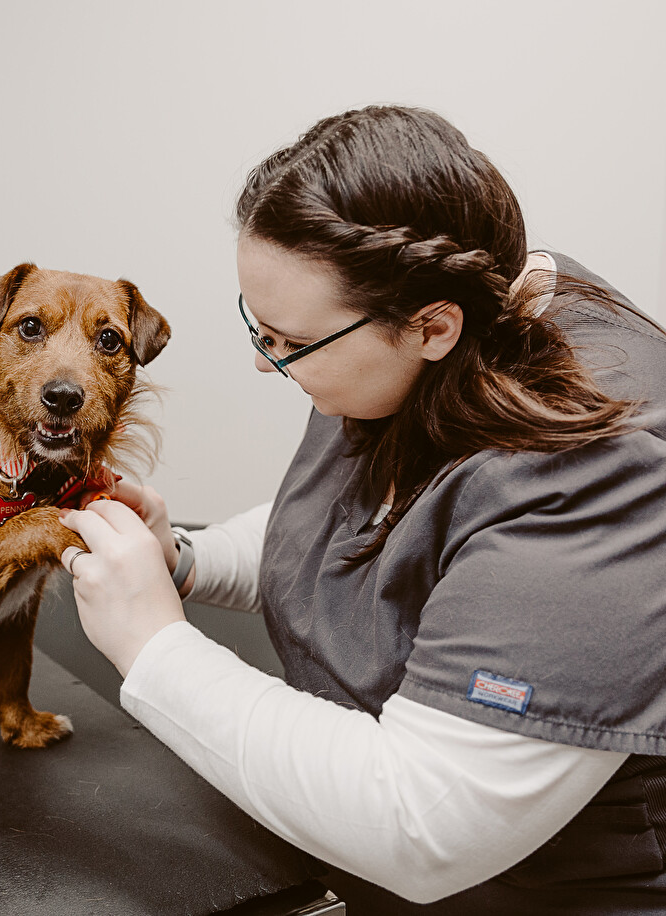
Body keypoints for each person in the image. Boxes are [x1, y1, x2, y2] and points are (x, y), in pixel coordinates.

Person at [57, 105, 666, 913]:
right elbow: (367, 520)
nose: (265, 361)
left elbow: (421, 826)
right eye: (259, 327)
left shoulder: (598, 471)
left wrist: (152, 643)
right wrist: (189, 559)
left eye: (287, 343)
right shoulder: (448, 308)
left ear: (433, 328)